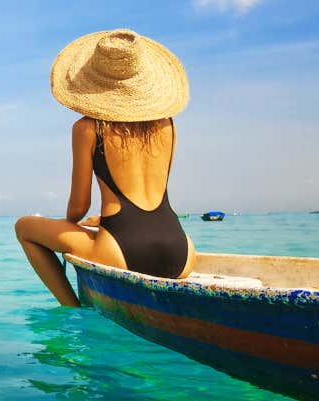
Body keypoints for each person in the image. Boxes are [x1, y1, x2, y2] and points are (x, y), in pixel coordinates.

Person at [15, 29, 196, 306]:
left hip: (120, 251)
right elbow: (149, 195)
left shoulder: (87, 128)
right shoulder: (168, 124)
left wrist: (76, 227)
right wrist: (104, 220)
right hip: (180, 250)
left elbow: (78, 208)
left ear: (94, 85)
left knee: (24, 227)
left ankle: (72, 307)